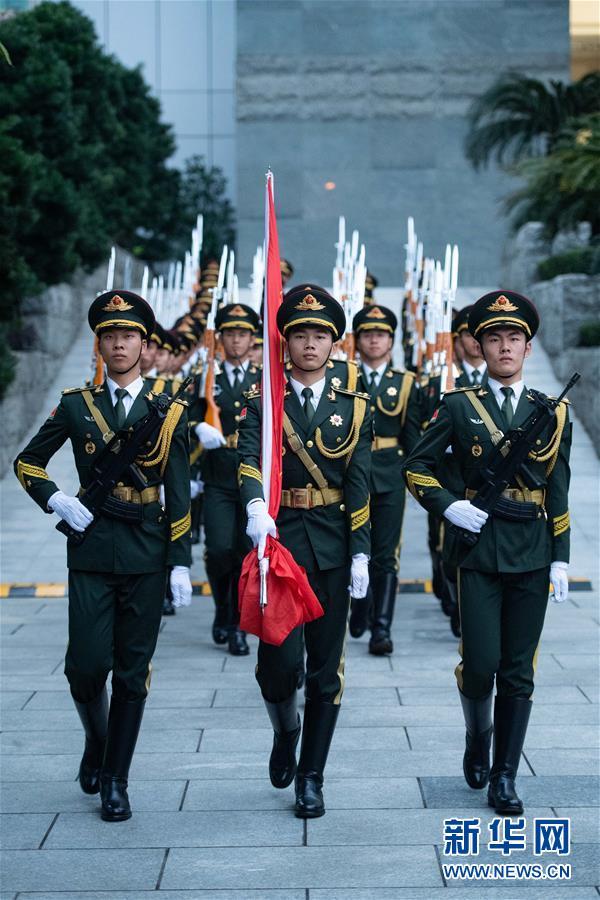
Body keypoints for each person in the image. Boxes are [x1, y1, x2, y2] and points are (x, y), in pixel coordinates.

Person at [14, 290, 193, 821]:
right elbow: (28, 463)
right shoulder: (76, 405)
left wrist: (181, 561)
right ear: (99, 344)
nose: (119, 343)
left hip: (146, 549)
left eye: (129, 335)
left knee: (133, 672)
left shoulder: (169, 409)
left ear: (144, 343)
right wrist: (57, 500)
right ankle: (97, 739)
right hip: (91, 548)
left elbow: (179, 492)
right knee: (86, 669)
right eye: (110, 335)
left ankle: (116, 778)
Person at [403, 290, 571, 815]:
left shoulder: (553, 412)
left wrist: (561, 556)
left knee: (519, 669)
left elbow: (558, 488)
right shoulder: (458, 406)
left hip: (532, 551)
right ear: (479, 346)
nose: (504, 347)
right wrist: (450, 507)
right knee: (479, 665)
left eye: (514, 338)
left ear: (527, 347)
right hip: (477, 550)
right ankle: (478, 735)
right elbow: (416, 467)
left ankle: (504, 775)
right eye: (494, 338)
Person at [237, 284, 372, 818]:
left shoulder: (353, 408)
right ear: (285, 342)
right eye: (300, 335)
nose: (310, 344)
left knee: (324, 669)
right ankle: (285, 728)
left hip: (333, 547)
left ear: (334, 344)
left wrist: (362, 553)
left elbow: (359, 485)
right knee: (277, 666)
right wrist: (254, 506)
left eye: (320, 335)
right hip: (280, 546)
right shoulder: (264, 402)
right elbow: (249, 460)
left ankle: (312, 776)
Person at [189, 302, 261, 655]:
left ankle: (237, 624)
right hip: (217, 475)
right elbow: (182, 417)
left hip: (252, 474)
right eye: (230, 333)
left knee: (244, 551)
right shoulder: (207, 377)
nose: (236, 340)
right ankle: (222, 607)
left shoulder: (263, 378)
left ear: (252, 338)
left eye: (242, 334)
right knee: (218, 549)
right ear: (220, 338)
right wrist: (197, 427)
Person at [350, 304, 421, 655]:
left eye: (381, 334)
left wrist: (415, 477)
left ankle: (381, 628)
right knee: (355, 546)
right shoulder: (345, 379)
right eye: (367, 334)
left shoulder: (405, 382)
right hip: (353, 474)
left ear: (391, 341)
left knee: (386, 552)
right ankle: (360, 604)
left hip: (390, 475)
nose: (374, 340)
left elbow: (412, 436)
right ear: (358, 340)